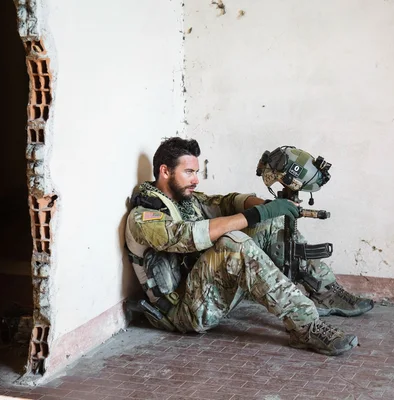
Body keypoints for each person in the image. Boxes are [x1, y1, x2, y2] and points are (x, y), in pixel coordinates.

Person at [124, 137, 373, 356]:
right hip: (184, 312)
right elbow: (189, 235)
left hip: (206, 293)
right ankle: (306, 326)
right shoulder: (144, 216)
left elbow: (227, 202)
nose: (196, 180)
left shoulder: (186, 200)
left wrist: (268, 207)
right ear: (165, 171)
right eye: (189, 172)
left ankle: (324, 291)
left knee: (269, 221)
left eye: (196, 172)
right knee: (233, 242)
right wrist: (260, 212)